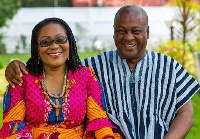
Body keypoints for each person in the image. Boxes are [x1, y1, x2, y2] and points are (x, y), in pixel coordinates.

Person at [4, 5, 200, 139]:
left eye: (136, 31)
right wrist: (15, 66)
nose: (128, 37)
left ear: (147, 32)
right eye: (121, 31)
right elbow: (58, 65)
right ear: (113, 33)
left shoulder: (169, 66)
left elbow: (186, 114)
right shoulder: (92, 67)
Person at [0, 17, 122, 139]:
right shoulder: (22, 78)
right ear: (36, 48)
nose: (54, 46)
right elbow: (13, 125)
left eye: (60, 39)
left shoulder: (85, 76)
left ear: (70, 43)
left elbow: (98, 120)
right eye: (45, 42)